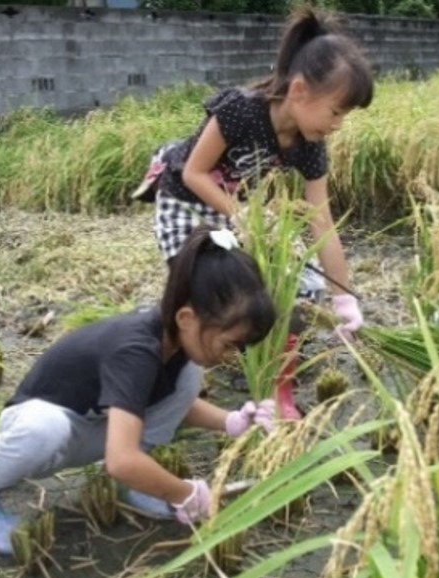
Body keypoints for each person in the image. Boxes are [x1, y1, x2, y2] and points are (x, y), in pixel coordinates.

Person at [146, 7, 373, 420]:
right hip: (184, 198)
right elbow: (195, 173)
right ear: (300, 90)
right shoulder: (240, 110)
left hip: (240, 211)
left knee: (299, 289)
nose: (338, 125)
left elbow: (322, 222)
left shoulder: (310, 145)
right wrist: (245, 217)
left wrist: (343, 298)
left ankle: (278, 390)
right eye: (337, 111)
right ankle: (164, 388)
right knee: (199, 292)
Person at [0, 226, 279, 556]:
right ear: (187, 317)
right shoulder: (136, 350)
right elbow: (119, 458)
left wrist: (231, 420)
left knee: (188, 378)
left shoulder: (175, 344)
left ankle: (133, 485)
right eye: (231, 344)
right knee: (44, 430)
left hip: (87, 427)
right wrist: (183, 492)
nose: (233, 356)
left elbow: (172, 403)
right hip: (38, 425)